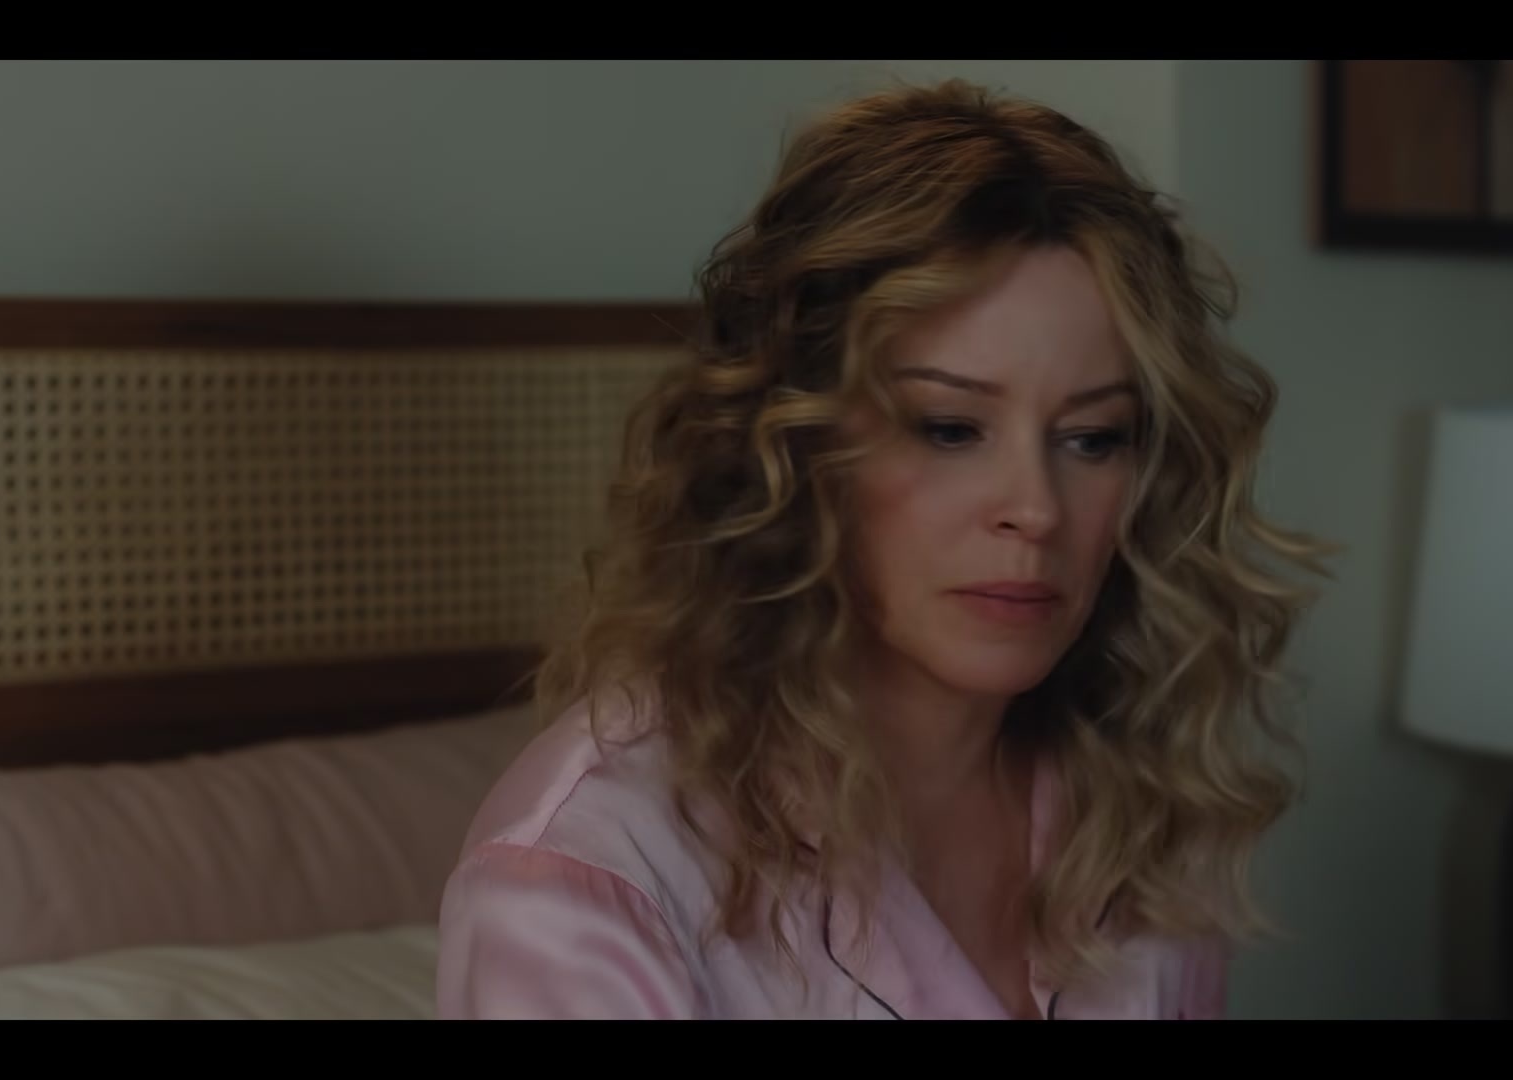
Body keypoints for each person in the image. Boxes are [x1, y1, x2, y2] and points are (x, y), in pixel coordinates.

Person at [436, 78, 1327, 1020]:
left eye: (1094, 438)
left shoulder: (1139, 806)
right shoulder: (588, 879)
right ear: (796, 445)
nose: (1036, 510)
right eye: (949, 428)